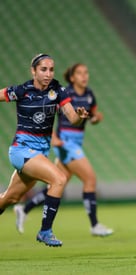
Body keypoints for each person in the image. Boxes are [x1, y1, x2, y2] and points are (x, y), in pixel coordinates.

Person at [13, 63, 113, 237]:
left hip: (77, 142)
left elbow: (95, 115)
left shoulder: (89, 95)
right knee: (90, 179)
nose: (84, 76)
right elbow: (46, 114)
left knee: (58, 183)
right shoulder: (63, 93)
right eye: (80, 73)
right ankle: (95, 225)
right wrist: (54, 138)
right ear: (72, 77)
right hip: (66, 144)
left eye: (86, 72)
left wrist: (96, 118)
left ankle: (24, 209)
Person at [0, 54, 89, 247]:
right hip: (21, 150)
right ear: (33, 71)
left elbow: (72, 118)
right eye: (43, 69)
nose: (48, 74)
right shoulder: (22, 90)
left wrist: (80, 117)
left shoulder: (57, 89)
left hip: (39, 154)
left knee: (9, 199)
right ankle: (45, 231)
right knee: (59, 179)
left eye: (51, 69)